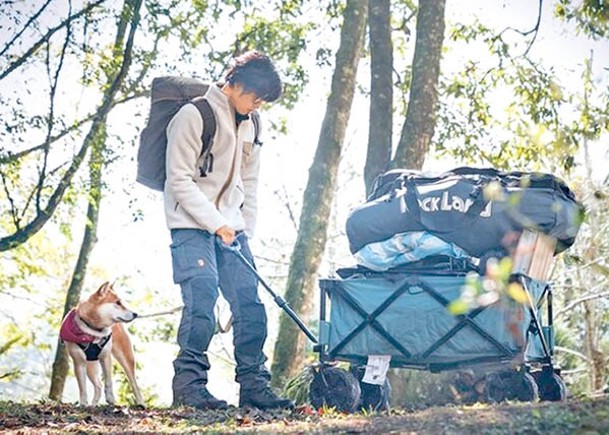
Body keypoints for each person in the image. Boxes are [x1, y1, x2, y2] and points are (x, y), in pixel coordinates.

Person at [164, 50, 294, 411]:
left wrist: (241, 227)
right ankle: (189, 387)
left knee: (249, 304)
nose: (258, 106)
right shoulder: (193, 116)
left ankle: (254, 385)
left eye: (263, 101)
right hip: (190, 224)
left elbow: (248, 182)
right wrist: (215, 223)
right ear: (234, 84)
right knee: (202, 298)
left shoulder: (251, 123)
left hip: (232, 229)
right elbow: (178, 180)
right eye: (255, 97)